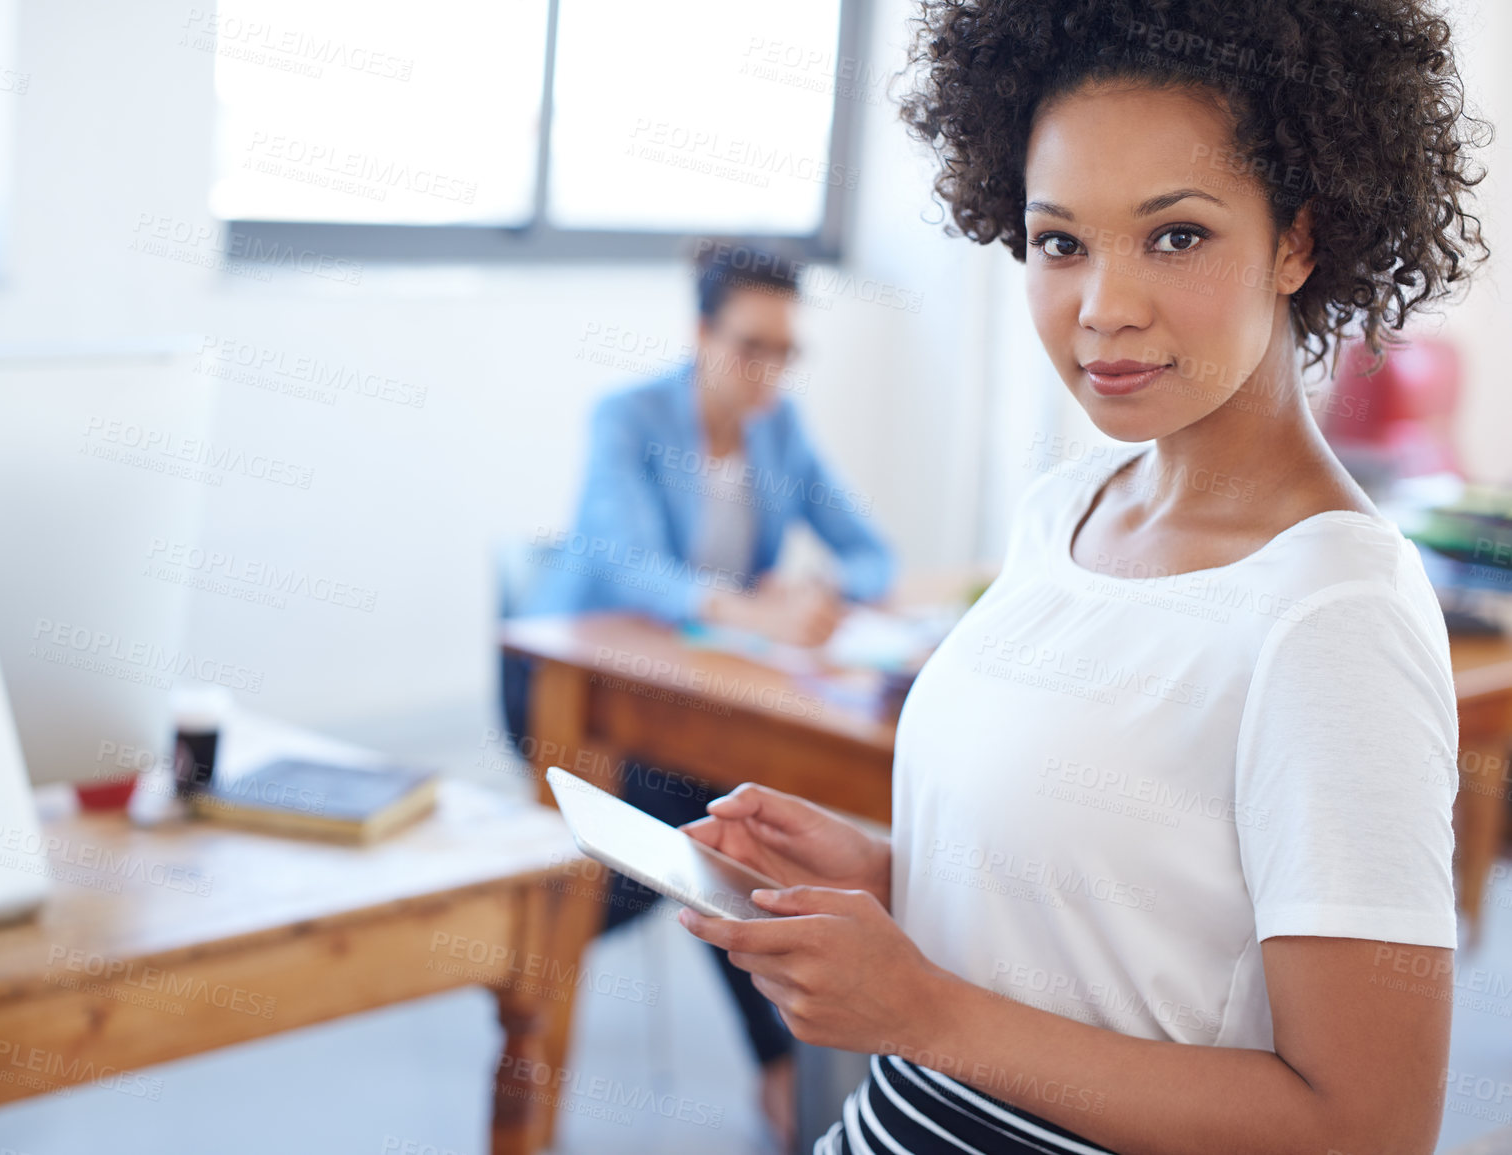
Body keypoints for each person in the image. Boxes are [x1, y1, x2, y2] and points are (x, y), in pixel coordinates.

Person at [674, 2, 1488, 1153]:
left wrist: (924, 1011)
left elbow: (1365, 1128)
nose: (1104, 306)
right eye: (1061, 242)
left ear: (1298, 240)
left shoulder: (1332, 617)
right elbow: (1119, 935)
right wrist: (891, 875)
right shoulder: (1069, 511)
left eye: (1176, 235)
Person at [513, 241, 895, 1149]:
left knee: (715, 814)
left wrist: (822, 597)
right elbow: (629, 567)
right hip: (571, 673)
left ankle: (553, 927)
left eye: (784, 351)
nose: (767, 372)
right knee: (709, 812)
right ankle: (770, 1060)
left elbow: (869, 549)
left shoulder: (781, 429)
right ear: (699, 333)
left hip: (699, 687)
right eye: (749, 347)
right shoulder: (628, 417)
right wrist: (743, 608)